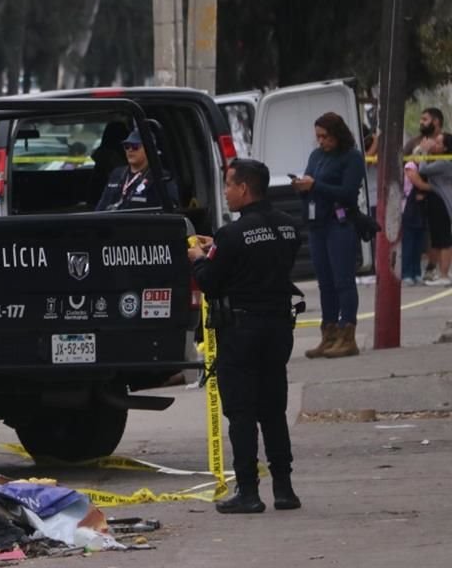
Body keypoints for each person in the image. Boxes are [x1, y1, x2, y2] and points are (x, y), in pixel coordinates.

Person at [187, 159, 302, 514]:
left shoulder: (232, 234)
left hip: (241, 331)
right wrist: (217, 249)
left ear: (244, 188)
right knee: (273, 409)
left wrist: (197, 258)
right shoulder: (289, 227)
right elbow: (256, 258)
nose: (225, 191)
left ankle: (248, 492)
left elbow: (210, 281)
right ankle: (284, 489)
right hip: (279, 328)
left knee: (241, 412)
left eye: (228, 185)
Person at [291, 112, 365, 359]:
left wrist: (315, 186)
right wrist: (303, 187)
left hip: (339, 222)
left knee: (343, 280)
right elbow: (311, 184)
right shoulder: (317, 156)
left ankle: (347, 333)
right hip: (317, 224)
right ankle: (329, 331)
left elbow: (347, 192)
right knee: (325, 283)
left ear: (337, 135)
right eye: (318, 137)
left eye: (325, 136)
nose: (321, 141)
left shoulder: (351, 157)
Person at [94, 129, 179, 211]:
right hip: (112, 222)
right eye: (127, 146)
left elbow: (171, 208)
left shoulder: (160, 176)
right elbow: (101, 207)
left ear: (149, 149)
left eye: (135, 146)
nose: (130, 150)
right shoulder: (117, 173)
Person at [418, 135, 452, 286]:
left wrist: (424, 151)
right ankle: (441, 272)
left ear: (445, 148)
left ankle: (444, 274)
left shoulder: (444, 162)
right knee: (438, 239)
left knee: (444, 240)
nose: (434, 144)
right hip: (436, 202)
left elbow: (423, 169)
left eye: (438, 143)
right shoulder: (440, 160)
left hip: (442, 202)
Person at [402, 143, 431, 285]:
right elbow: (418, 184)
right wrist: (434, 188)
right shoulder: (410, 166)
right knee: (409, 242)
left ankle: (417, 272)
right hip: (408, 208)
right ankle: (407, 273)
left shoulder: (425, 169)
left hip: (420, 209)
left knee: (419, 243)